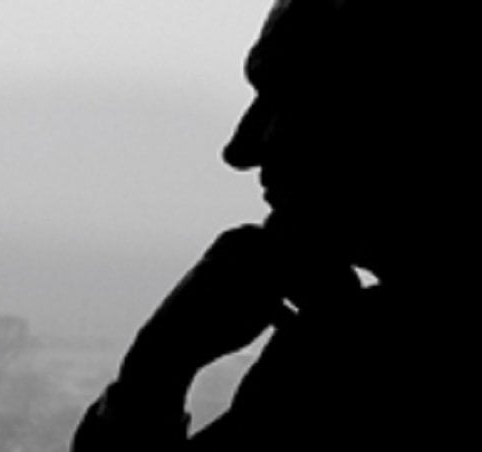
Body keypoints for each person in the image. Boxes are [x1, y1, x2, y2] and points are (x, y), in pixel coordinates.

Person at [72, 0, 452, 450]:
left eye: (290, 98)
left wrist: (157, 369)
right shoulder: (351, 348)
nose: (240, 149)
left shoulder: (359, 362)